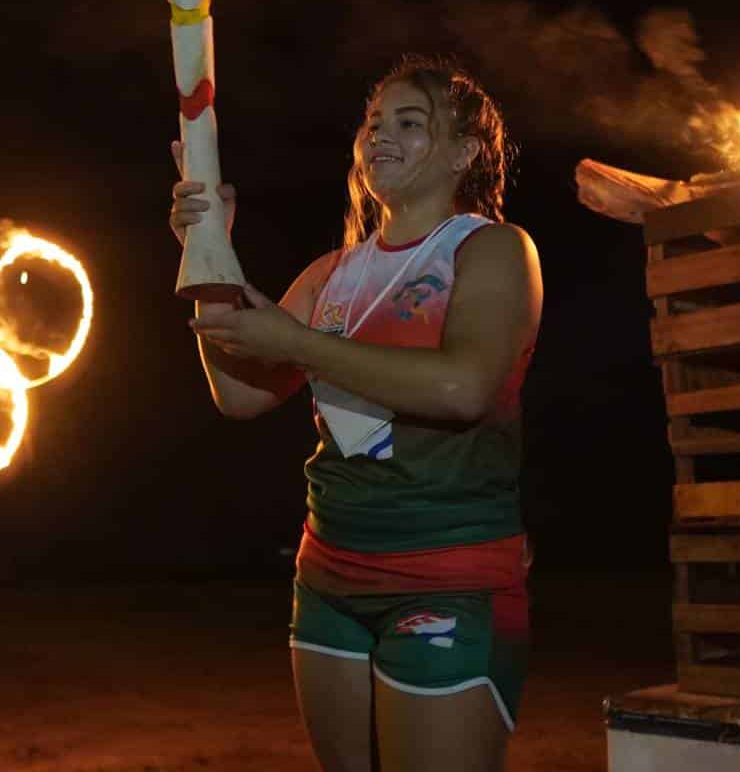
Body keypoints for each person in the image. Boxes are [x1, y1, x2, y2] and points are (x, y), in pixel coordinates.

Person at [170, 56, 543, 772]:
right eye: (374, 124)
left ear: (465, 152)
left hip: (448, 577)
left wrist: (300, 343)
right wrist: (205, 248)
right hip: (328, 579)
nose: (381, 137)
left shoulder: (492, 251)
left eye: (410, 123)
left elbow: (463, 387)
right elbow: (241, 393)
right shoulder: (330, 273)